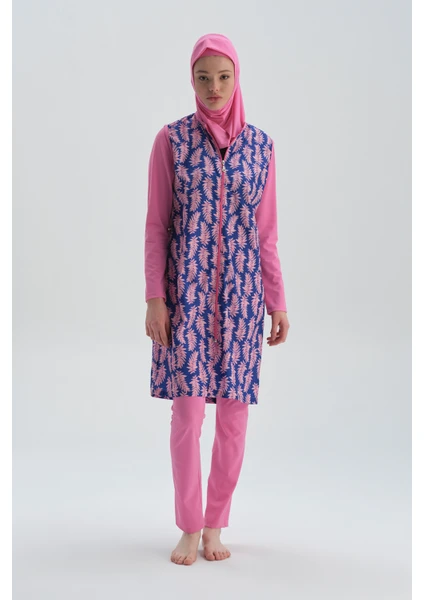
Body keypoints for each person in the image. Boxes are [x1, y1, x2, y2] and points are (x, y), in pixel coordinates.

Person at [144, 33, 290, 565]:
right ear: (191, 80)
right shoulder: (171, 141)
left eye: (224, 77)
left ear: (237, 78)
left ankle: (214, 524)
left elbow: (266, 233)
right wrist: (154, 297)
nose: (214, 87)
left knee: (233, 420)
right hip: (185, 300)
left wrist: (277, 301)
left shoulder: (261, 147)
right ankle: (188, 525)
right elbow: (157, 225)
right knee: (187, 416)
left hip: (242, 302)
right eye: (203, 77)